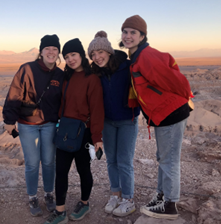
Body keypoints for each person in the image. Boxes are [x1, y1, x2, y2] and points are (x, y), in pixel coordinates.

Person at [120, 15, 192, 220]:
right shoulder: (136, 57)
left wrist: (185, 97)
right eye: (125, 32)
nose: (128, 36)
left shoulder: (146, 56)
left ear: (143, 35)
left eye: (133, 32)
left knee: (169, 160)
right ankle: (162, 196)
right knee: (163, 158)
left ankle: (170, 204)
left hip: (170, 113)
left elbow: (177, 81)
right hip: (163, 114)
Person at [2, 34, 64, 216]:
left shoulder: (60, 75)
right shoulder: (27, 69)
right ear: (41, 51)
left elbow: (65, 99)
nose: (51, 52)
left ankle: (48, 194)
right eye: (48, 49)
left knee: (48, 162)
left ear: (58, 52)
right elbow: (14, 93)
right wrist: (8, 120)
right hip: (27, 124)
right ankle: (32, 196)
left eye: (54, 49)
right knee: (31, 163)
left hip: (50, 124)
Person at [44, 38, 105, 224]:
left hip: (83, 132)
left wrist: (97, 138)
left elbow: (97, 110)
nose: (70, 59)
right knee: (61, 171)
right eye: (67, 56)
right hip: (64, 130)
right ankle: (60, 212)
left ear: (81, 55)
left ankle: (84, 203)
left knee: (83, 170)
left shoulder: (92, 79)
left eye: (73, 55)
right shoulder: (65, 77)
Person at [87, 31, 140, 217]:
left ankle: (128, 199)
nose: (96, 57)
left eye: (99, 52)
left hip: (127, 120)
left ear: (108, 51)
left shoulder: (126, 66)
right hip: (108, 122)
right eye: (92, 55)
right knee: (111, 161)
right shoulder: (96, 73)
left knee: (124, 161)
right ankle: (115, 194)